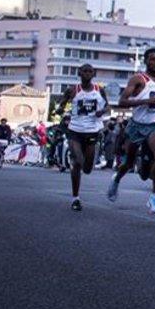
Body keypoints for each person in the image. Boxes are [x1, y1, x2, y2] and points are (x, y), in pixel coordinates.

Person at [109, 48, 155, 216]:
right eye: (152, 59)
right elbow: (122, 101)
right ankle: (116, 179)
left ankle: (153, 197)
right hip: (137, 126)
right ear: (146, 60)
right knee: (128, 163)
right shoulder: (138, 79)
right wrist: (145, 101)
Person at [54, 64, 110, 211]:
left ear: (93, 74)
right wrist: (60, 110)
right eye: (84, 71)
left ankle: (81, 168)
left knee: (87, 168)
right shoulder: (72, 90)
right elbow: (62, 105)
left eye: (90, 71)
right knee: (78, 162)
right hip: (75, 130)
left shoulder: (99, 90)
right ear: (79, 73)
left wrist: (101, 112)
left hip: (92, 131)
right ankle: (75, 198)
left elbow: (107, 107)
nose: (87, 74)